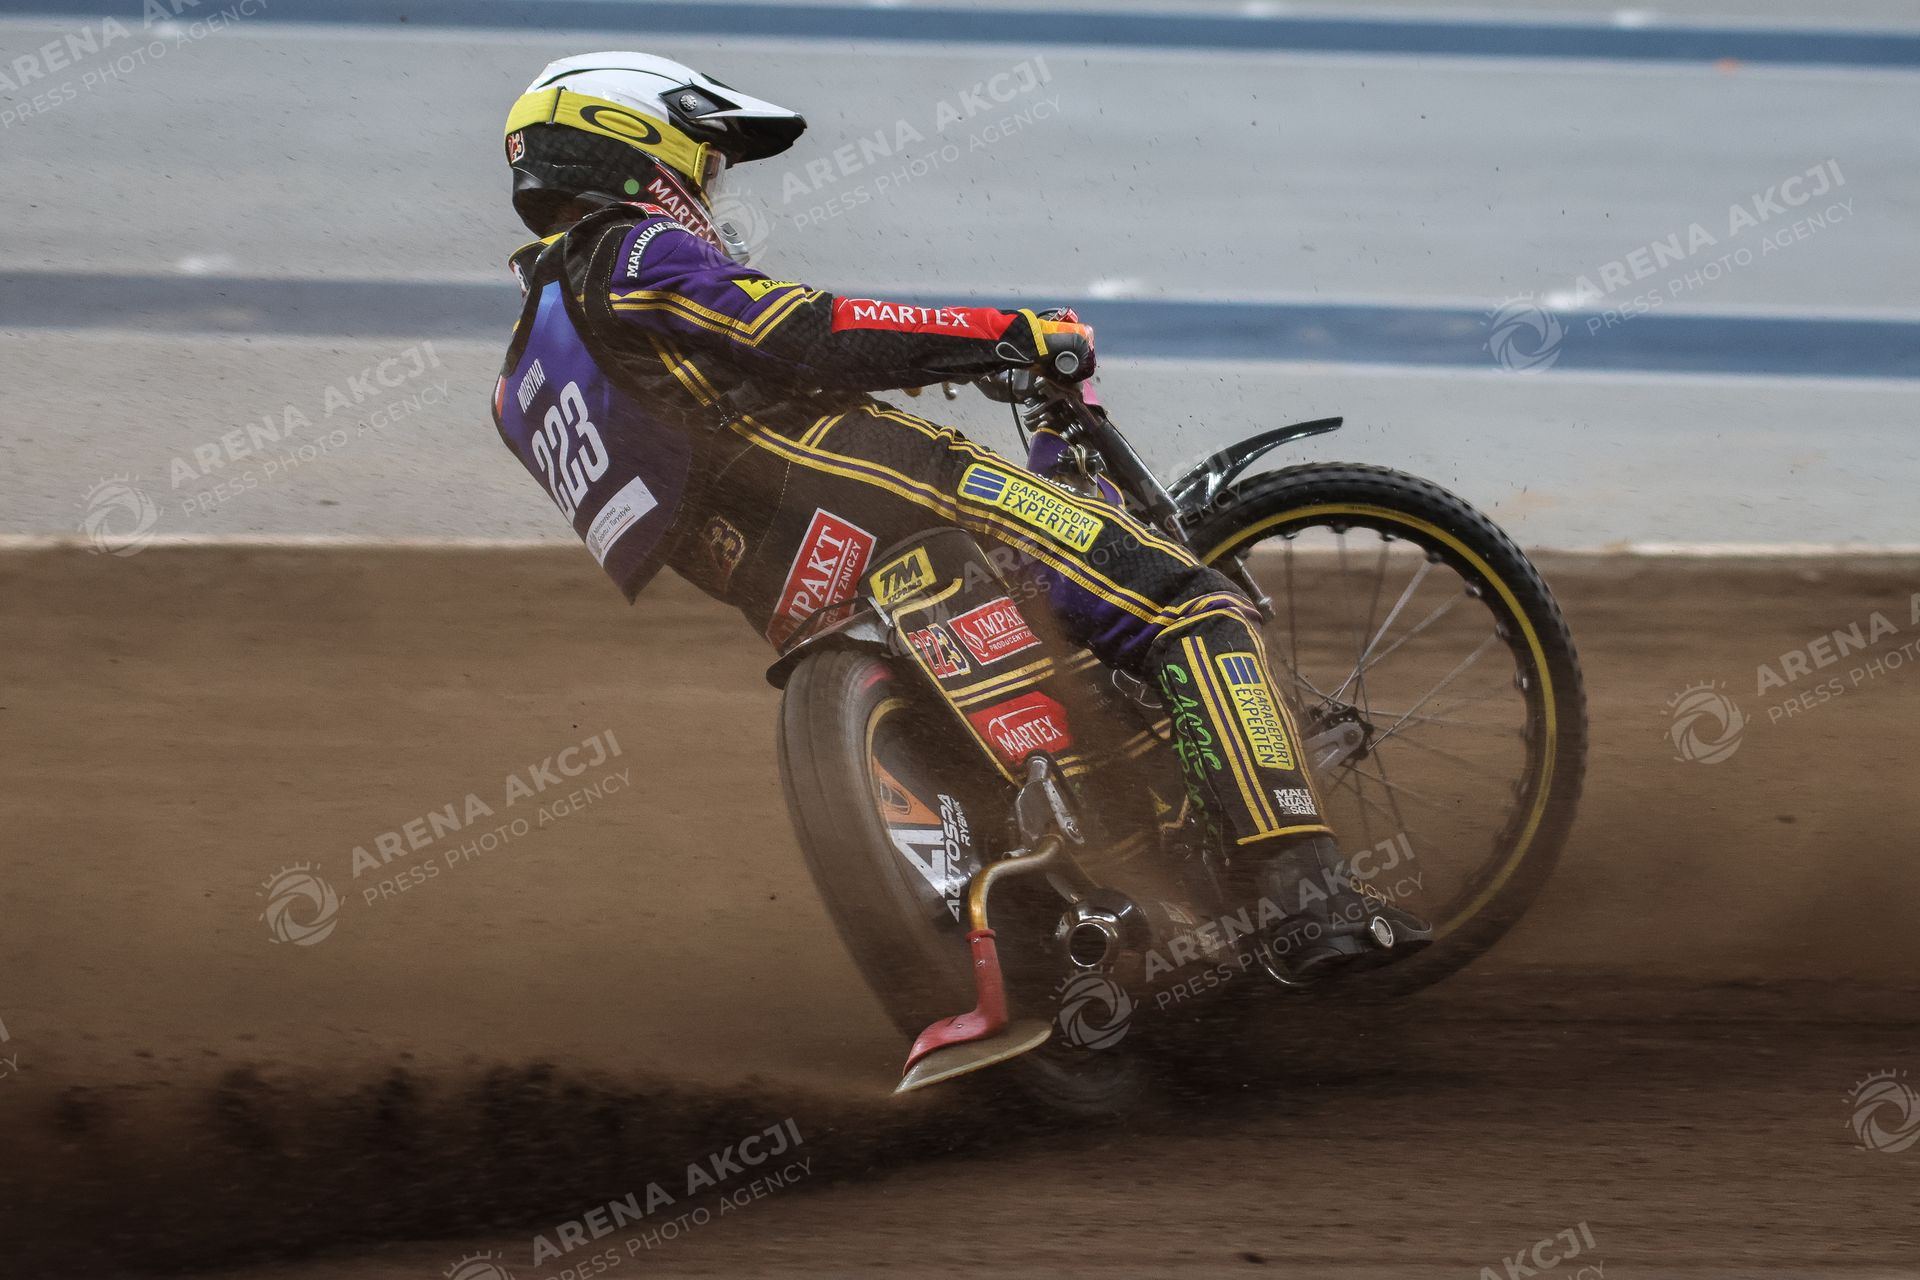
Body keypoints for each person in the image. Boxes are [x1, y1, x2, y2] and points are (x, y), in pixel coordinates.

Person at [491, 52, 1428, 986]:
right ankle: (1308, 898)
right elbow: (806, 331)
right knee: (1190, 604)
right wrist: (1006, 335)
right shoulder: (632, 251)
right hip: (909, 495)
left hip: (799, 592)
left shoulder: (529, 379)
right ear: (634, 147)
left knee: (1071, 677)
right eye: (705, 161)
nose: (709, 190)